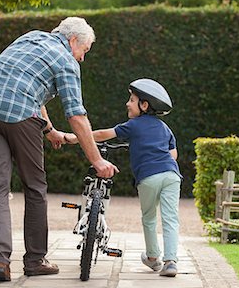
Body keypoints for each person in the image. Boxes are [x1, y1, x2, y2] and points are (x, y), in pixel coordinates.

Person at [0, 16, 118, 282]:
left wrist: (50, 131)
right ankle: (34, 260)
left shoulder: (30, 37)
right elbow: (76, 116)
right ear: (73, 40)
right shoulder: (65, 61)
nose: (82, 59)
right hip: (20, 117)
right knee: (35, 186)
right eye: (84, 51)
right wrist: (97, 161)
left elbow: (26, 86)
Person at [66, 78, 182, 277]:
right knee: (171, 218)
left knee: (149, 217)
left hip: (149, 177)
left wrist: (78, 137)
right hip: (172, 174)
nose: (127, 103)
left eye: (131, 99)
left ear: (144, 105)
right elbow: (173, 155)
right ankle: (170, 261)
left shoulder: (133, 125)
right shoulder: (165, 128)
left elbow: (104, 133)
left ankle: (153, 257)